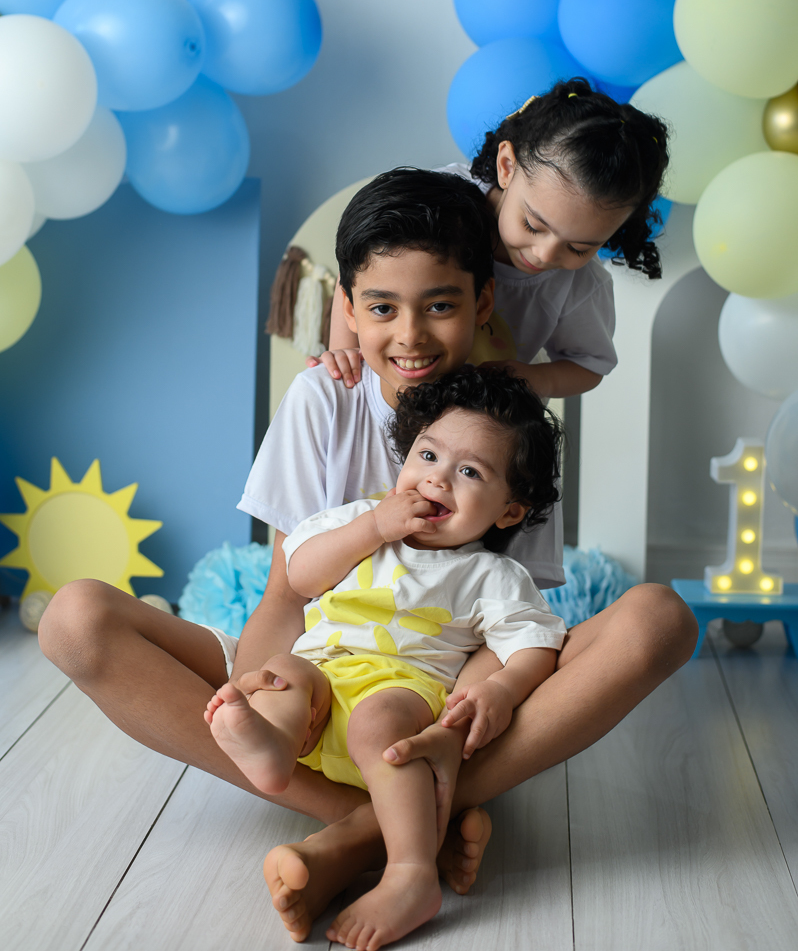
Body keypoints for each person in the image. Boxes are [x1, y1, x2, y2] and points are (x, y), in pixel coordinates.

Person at [37, 165, 697, 947]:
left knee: (659, 618)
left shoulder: (502, 434)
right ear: (348, 309)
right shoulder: (324, 398)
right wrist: (263, 687)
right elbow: (289, 591)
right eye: (381, 308)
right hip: (319, 665)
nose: (411, 336)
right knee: (74, 619)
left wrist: (452, 728)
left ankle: (391, 815)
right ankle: (379, 821)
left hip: (431, 696)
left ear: (481, 303)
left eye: (441, 306)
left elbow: (510, 628)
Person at [205, 367, 567, 949]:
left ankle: (410, 876)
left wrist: (498, 691)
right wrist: (373, 525)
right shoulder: (356, 521)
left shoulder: (490, 574)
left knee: (378, 721)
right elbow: (299, 575)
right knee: (282, 675)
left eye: (469, 472)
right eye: (428, 455)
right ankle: (271, 750)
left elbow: (534, 644)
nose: (438, 480)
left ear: (508, 512)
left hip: (402, 692)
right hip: (321, 679)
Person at [315, 76, 669, 402]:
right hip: (391, 392)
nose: (545, 254)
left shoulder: (580, 287)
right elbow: (363, 268)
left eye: (579, 247)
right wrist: (344, 350)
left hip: (476, 424)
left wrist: (534, 379)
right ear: (506, 166)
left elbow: (590, 365)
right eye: (533, 225)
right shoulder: (440, 203)